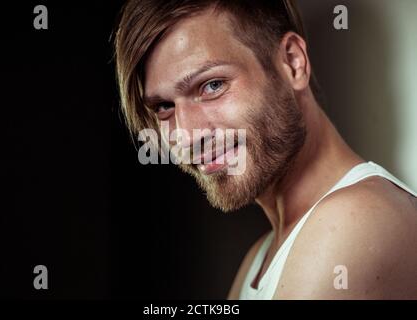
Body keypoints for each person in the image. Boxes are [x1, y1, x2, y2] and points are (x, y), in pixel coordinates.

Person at [114, 0, 417, 299]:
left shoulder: (354, 220)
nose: (187, 136)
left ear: (293, 62)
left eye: (212, 85)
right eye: (164, 106)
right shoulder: (259, 258)